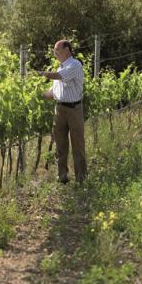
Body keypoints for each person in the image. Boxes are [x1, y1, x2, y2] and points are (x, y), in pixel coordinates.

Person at [36, 39, 87, 184]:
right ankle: (62, 177)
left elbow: (59, 76)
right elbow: (54, 92)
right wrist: (36, 96)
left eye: (57, 50)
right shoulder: (61, 67)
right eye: (54, 50)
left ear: (67, 50)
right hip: (59, 110)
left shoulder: (74, 65)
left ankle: (82, 179)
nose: (55, 53)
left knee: (78, 145)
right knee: (60, 146)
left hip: (74, 110)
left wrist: (41, 74)